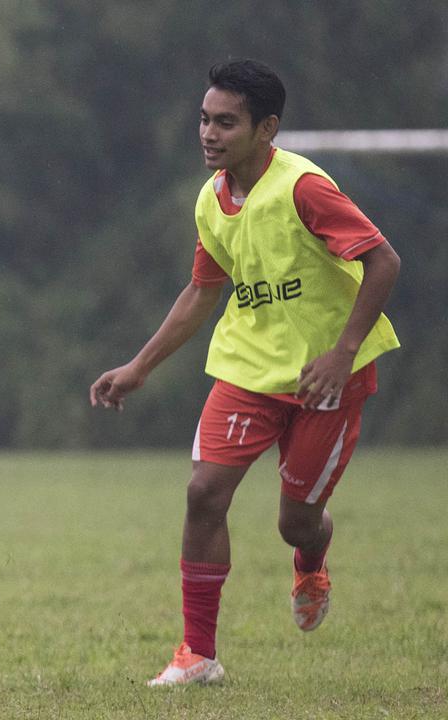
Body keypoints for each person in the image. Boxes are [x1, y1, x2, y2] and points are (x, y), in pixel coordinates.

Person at [89, 59, 400, 687]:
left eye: (226, 122)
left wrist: (341, 352)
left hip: (326, 380)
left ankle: (310, 558)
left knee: (296, 521)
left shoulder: (303, 188)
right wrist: (138, 366)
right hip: (249, 373)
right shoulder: (212, 199)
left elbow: (383, 261)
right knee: (203, 493)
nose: (208, 132)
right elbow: (203, 292)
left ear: (267, 129)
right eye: (204, 119)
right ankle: (197, 657)